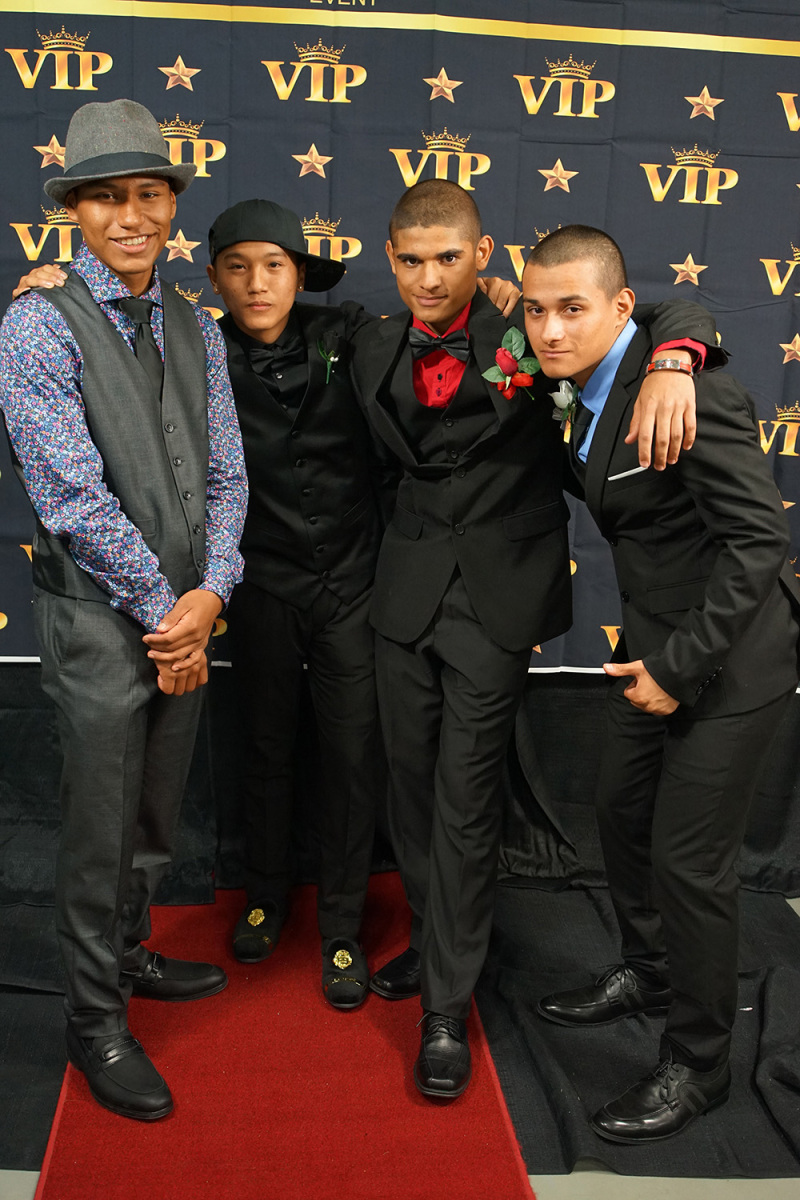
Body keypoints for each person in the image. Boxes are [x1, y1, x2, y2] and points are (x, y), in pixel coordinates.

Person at [17, 199, 521, 1012]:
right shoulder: (191, 345)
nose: (258, 284)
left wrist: (495, 295)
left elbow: (438, 332)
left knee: (352, 757)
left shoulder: (351, 333)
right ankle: (264, 897)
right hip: (255, 587)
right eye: (238, 268)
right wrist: (51, 285)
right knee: (264, 745)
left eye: (275, 266)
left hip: (355, 583)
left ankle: (343, 925)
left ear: (301, 274)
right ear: (214, 278)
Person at [350, 179, 723, 1100]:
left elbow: (657, 311)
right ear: (389, 259)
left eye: (448, 258)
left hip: (499, 601)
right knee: (410, 791)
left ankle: (446, 1007)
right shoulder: (369, 342)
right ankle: (439, 940)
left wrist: (676, 361)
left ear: (484, 256)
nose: (429, 278)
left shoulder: (535, 331)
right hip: (403, 598)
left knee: (466, 796)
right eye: (410, 261)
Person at [0, 99, 248, 1121]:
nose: (131, 215)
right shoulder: (35, 322)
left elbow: (227, 473)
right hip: (105, 621)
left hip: (186, 612)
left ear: (172, 204)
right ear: (74, 210)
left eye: (149, 193)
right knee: (101, 829)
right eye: (106, 197)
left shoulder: (193, 322)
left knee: (153, 814)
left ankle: (131, 953)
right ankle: (93, 1019)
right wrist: (167, 614)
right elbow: (69, 495)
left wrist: (211, 592)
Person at [524, 224, 800, 1142]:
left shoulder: (689, 389)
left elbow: (760, 542)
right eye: (537, 311)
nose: (550, 330)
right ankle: (647, 972)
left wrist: (681, 670)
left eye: (572, 309)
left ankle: (699, 1062)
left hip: (732, 657)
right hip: (650, 643)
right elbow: (649, 313)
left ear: (619, 309)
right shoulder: (578, 378)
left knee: (690, 862)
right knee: (619, 815)